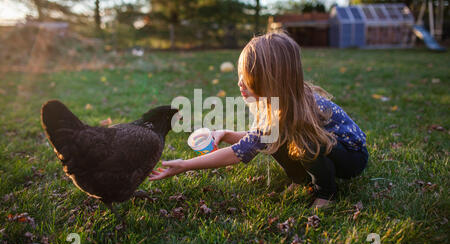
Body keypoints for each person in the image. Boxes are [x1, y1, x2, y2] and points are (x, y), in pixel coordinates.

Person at [149, 32, 369, 209]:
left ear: (273, 79)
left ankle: (326, 192)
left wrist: (185, 166)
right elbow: (256, 139)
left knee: (306, 142)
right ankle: (301, 180)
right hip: (328, 147)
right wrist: (225, 134)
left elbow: (239, 153)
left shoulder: (298, 107)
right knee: (272, 139)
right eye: (240, 76)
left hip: (350, 157)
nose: (240, 83)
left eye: (248, 77)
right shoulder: (277, 102)